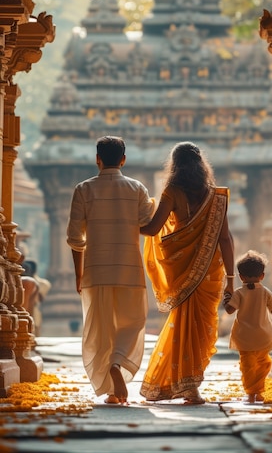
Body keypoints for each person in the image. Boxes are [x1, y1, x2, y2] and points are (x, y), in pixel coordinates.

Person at [139, 141, 235, 405]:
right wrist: (230, 280)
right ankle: (189, 385)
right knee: (200, 329)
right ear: (201, 165)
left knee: (182, 325)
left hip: (180, 270)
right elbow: (225, 239)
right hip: (209, 273)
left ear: (175, 166)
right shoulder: (217, 196)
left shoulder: (172, 192)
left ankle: (185, 385)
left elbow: (151, 229)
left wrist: (128, 217)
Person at [67, 136, 155, 405]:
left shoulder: (83, 190)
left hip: (96, 270)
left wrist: (78, 274)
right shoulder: (136, 189)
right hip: (129, 270)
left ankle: (111, 389)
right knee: (133, 322)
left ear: (97, 158)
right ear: (124, 160)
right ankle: (118, 365)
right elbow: (148, 223)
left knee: (101, 329)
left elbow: (75, 238)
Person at [223, 250, 272, 404]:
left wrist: (226, 298)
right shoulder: (266, 293)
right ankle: (258, 391)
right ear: (262, 275)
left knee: (247, 367)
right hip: (263, 337)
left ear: (241, 276)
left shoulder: (239, 293)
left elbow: (229, 310)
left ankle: (251, 393)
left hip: (245, 337)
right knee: (264, 363)